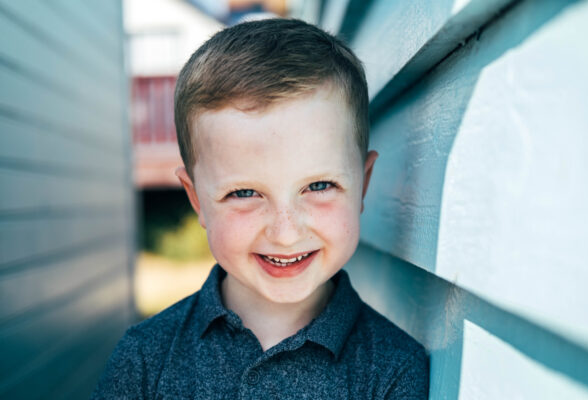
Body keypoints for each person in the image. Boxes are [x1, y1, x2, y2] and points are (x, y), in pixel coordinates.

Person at [92, 18, 428, 399]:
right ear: (197, 199)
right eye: (245, 193)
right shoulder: (143, 359)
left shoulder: (394, 369)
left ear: (363, 185)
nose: (285, 232)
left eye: (318, 186)